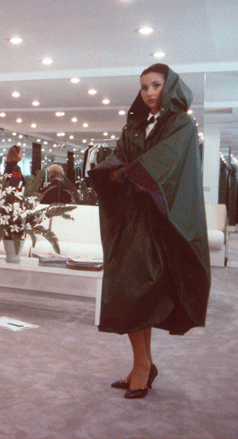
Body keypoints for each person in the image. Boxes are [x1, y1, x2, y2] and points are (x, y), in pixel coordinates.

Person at [88, 64, 211, 399]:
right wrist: (120, 172)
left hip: (160, 221)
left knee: (139, 291)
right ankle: (142, 363)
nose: (149, 93)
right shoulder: (135, 127)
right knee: (128, 290)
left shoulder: (182, 124)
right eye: (144, 87)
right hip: (131, 219)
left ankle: (143, 365)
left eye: (156, 85)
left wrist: (127, 173)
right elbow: (117, 160)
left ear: (169, 87)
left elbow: (163, 164)